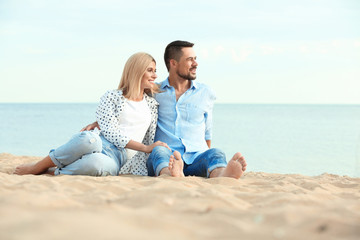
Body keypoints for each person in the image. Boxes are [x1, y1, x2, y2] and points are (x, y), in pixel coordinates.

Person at [84, 41, 247, 179]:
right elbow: (130, 106)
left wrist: (206, 149)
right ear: (173, 63)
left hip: (197, 156)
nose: (195, 63)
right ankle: (169, 174)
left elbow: (207, 132)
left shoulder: (206, 92)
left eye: (195, 59)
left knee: (215, 153)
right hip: (167, 155)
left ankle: (222, 174)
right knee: (158, 151)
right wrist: (100, 121)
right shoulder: (154, 91)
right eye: (190, 59)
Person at [14, 52, 169, 176]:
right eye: (150, 70)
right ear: (136, 71)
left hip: (119, 159)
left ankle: (55, 171)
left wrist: (147, 149)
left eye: (155, 71)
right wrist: (145, 147)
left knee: (97, 165)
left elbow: (171, 86)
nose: (155, 75)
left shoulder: (152, 104)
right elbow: (111, 132)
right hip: (101, 143)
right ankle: (38, 166)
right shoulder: (112, 96)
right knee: (89, 139)